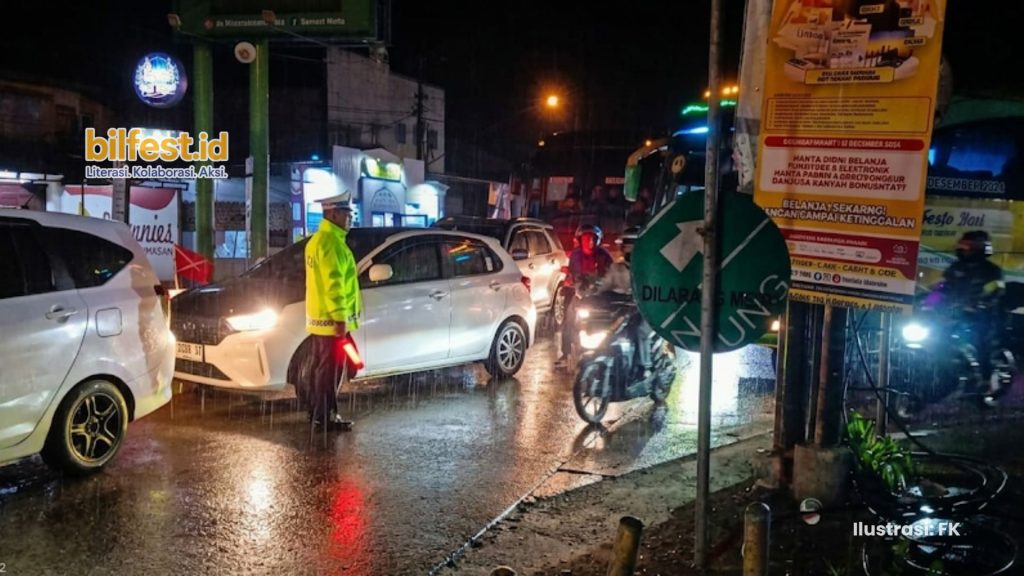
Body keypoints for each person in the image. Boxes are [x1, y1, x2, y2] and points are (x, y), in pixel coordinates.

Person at [304, 191, 363, 430]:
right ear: (333, 213)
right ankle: (325, 417)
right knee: (330, 372)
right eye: (347, 214)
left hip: (320, 321)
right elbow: (334, 285)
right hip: (332, 323)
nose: (350, 218)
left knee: (321, 370)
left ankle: (318, 414)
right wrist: (340, 319)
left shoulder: (317, 241)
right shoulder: (332, 245)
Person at [937, 230, 1005, 395]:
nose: (965, 249)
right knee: (937, 335)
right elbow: (943, 288)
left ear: (980, 248)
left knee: (981, 341)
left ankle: (986, 381)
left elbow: (995, 289)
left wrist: (982, 302)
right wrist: (927, 301)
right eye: (963, 245)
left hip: (982, 314)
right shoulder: (956, 268)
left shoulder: (991, 270)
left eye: (969, 246)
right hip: (957, 313)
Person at [556, 224, 614, 368]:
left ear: (597, 241)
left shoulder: (604, 256)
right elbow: (572, 274)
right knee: (568, 321)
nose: (589, 242)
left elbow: (611, 275)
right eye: (585, 239)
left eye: (592, 239)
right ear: (580, 240)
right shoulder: (575, 255)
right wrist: (569, 281)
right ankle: (565, 353)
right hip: (580, 295)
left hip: (598, 297)